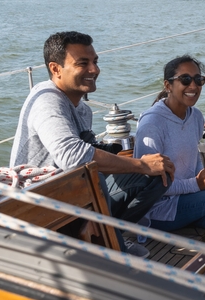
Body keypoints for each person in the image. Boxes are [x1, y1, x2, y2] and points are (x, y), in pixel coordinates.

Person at [10, 31, 175, 256]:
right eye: (83, 63)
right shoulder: (46, 101)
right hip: (39, 202)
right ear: (55, 69)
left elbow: (85, 153)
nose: (94, 70)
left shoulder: (82, 109)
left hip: (72, 193)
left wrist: (143, 166)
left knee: (159, 174)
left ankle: (105, 235)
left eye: (95, 62)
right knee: (95, 174)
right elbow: (73, 157)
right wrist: (141, 165)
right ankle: (110, 246)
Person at [134, 55, 205, 237]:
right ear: (168, 85)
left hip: (190, 197)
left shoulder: (195, 116)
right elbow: (150, 186)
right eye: (185, 80)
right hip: (160, 209)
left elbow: (195, 162)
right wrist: (196, 184)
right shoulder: (152, 124)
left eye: (198, 79)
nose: (193, 86)